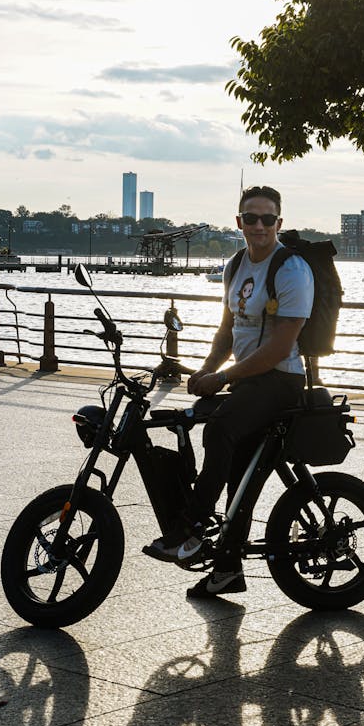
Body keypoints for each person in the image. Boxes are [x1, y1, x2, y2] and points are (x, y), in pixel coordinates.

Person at [144, 185, 314, 597]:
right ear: (238, 222)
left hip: (280, 380)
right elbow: (227, 329)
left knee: (218, 431)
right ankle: (228, 570)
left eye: (267, 219)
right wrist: (206, 370)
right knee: (233, 472)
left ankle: (194, 527)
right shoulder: (236, 264)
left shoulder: (291, 270)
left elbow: (277, 348)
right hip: (245, 380)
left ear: (279, 223)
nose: (258, 226)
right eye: (250, 218)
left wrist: (222, 379)